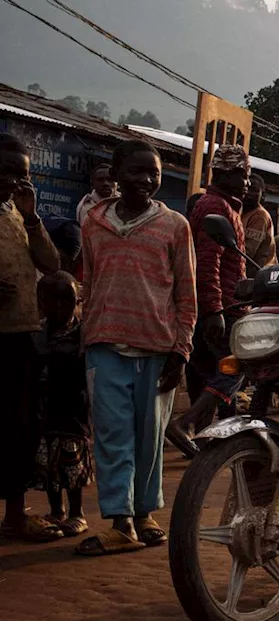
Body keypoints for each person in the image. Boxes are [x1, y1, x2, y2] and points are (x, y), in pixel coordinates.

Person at [77, 139, 197, 555]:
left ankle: (144, 514)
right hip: (104, 345)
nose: (146, 180)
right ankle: (120, 521)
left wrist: (181, 350)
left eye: (154, 173)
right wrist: (84, 337)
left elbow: (186, 293)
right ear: (116, 172)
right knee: (112, 436)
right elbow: (89, 281)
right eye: (136, 171)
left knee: (150, 438)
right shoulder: (93, 221)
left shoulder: (175, 226)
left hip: (157, 348)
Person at [166, 144, 251, 456]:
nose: (246, 181)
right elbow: (207, 263)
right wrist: (215, 309)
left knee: (205, 373)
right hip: (222, 306)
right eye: (241, 175)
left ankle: (201, 438)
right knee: (239, 363)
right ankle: (187, 423)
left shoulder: (224, 205)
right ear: (224, 175)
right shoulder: (216, 207)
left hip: (216, 304)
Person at [0, 133, 64, 541]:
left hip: (21, 335)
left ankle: (15, 515)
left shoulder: (17, 213)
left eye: (22, 175)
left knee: (20, 428)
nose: (14, 181)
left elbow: (52, 263)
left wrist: (32, 217)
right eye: (7, 171)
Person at [31, 272, 92, 538]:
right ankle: (57, 510)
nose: (59, 307)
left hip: (73, 410)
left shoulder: (83, 335)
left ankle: (77, 512)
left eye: (66, 300)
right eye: (51, 300)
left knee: (72, 463)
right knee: (49, 464)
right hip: (46, 410)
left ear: (76, 301)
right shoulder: (37, 334)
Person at [241, 173, 276, 278]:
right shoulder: (242, 212)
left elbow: (247, 253)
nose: (249, 193)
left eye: (254, 190)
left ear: (262, 194)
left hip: (258, 277)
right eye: (248, 188)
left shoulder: (260, 216)